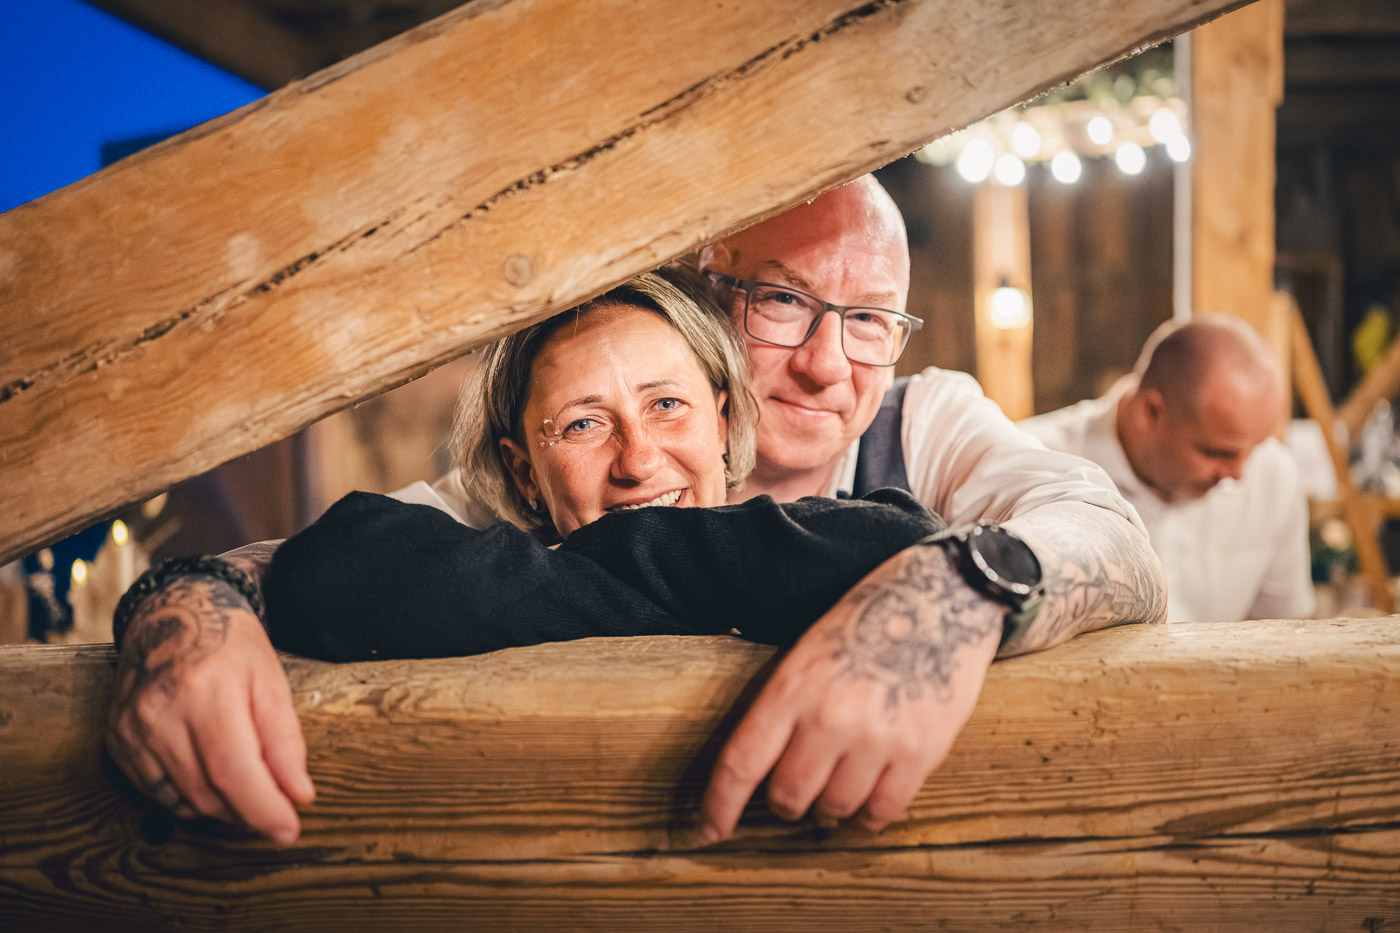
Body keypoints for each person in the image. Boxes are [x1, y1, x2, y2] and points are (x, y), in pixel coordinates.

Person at [107, 176, 1166, 847]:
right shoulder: (547, 477)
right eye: (784, 301)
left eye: (870, 320)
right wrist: (186, 609)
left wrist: (948, 587)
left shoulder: (920, 422)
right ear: (710, 294)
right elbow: (319, 561)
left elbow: (1114, 543)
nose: (825, 363)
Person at [1021, 315, 1314, 623]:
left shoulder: (1273, 474)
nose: (1238, 474)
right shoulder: (1035, 465)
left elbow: (1290, 628)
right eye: (1217, 453)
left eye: (1254, 448)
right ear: (1150, 412)